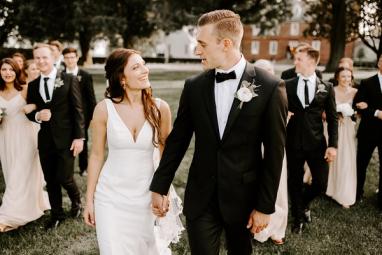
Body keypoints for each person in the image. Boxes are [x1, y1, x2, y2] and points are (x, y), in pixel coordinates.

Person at [150, 10, 288, 255]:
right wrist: (160, 186)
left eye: (202, 44)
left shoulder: (269, 87)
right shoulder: (194, 87)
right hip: (201, 198)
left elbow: (275, 153)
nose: (196, 51)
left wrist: (265, 207)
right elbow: (178, 141)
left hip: (244, 199)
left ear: (225, 44)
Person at [83, 48, 183, 254]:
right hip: (110, 195)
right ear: (122, 78)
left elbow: (166, 155)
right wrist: (89, 200)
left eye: (144, 64)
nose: (145, 70)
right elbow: (96, 155)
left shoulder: (160, 108)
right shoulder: (104, 109)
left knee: (143, 249)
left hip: (145, 194)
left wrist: (162, 190)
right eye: (136, 67)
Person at [26, 43, 85, 230]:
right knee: (50, 179)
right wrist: (37, 116)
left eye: (44, 57)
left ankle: (77, 201)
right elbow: (30, 109)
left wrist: (79, 137)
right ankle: (57, 214)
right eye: (37, 58)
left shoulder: (68, 79)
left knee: (64, 177)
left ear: (53, 58)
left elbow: (78, 110)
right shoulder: (33, 85)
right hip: (45, 140)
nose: (41, 61)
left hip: (67, 139)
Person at [285, 45, 338, 234]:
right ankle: (297, 218)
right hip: (293, 142)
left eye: (299, 59)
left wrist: (333, 145)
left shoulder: (327, 87)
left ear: (311, 61)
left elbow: (332, 119)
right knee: (295, 181)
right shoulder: (287, 84)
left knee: (321, 184)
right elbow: (280, 109)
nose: (295, 62)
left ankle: (304, 204)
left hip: (317, 143)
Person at [0, 58, 50, 232]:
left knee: (19, 174)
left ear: (17, 71)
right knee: (11, 171)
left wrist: (33, 106)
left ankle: (8, 216)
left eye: (11, 69)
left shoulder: (26, 89)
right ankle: (33, 203)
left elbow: (41, 106)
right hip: (5, 137)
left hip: (26, 135)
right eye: (4, 69)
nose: (7, 73)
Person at [253, 59, 288, 245]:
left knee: (278, 188)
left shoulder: (278, 91)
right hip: (253, 148)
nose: (266, 74)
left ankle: (277, 228)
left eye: (269, 70)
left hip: (274, 149)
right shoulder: (248, 93)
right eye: (261, 70)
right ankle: (255, 228)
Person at [62, 47, 97, 176]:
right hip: (65, 115)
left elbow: (91, 98)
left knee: (82, 139)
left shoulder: (85, 75)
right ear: (63, 59)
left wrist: (93, 117)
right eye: (67, 57)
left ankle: (83, 168)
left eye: (72, 57)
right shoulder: (60, 75)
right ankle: (67, 167)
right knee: (65, 140)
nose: (70, 60)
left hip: (83, 115)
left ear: (77, 58)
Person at [353, 54, 382, 209]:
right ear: (379, 63)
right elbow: (358, 105)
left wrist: (369, 107)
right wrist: (376, 112)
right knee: (361, 163)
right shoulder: (367, 83)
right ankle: (357, 193)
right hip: (368, 131)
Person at [326, 67, 357, 208]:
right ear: (337, 77)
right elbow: (323, 111)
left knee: (346, 159)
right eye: (343, 76)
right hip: (333, 128)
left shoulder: (356, 92)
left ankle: (344, 192)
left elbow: (358, 112)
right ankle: (328, 187)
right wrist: (335, 115)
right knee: (332, 157)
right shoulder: (331, 90)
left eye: (348, 76)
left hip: (348, 129)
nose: (346, 79)